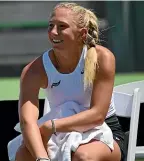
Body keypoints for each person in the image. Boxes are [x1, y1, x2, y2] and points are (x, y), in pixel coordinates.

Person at [12, 2, 126, 161]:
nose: (53, 32)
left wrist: (52, 125)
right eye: (51, 25)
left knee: (82, 156)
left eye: (62, 26)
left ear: (82, 33)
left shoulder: (103, 58)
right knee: (23, 156)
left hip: (106, 132)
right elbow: (27, 122)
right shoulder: (32, 71)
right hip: (58, 134)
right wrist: (41, 158)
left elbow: (97, 116)